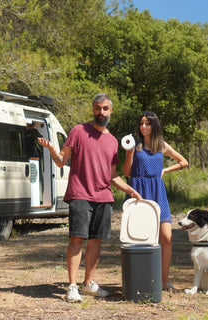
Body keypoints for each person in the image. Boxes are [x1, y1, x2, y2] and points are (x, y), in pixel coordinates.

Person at [38, 93, 142, 302]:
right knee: (78, 238)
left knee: (96, 240)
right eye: (97, 108)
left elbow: (113, 175)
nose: (101, 112)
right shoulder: (78, 131)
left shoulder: (113, 141)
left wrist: (129, 190)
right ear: (93, 109)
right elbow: (61, 161)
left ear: (110, 111)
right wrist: (50, 148)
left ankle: (88, 284)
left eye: (105, 108)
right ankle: (72, 286)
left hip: (103, 196)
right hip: (80, 193)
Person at [123, 111, 188, 293]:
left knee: (166, 237)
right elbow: (127, 173)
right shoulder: (135, 146)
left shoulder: (162, 146)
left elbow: (184, 161)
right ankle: (139, 279)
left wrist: (166, 170)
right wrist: (128, 154)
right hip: (138, 191)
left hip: (158, 191)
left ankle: (164, 280)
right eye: (141, 123)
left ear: (154, 126)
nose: (143, 127)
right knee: (139, 239)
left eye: (147, 123)